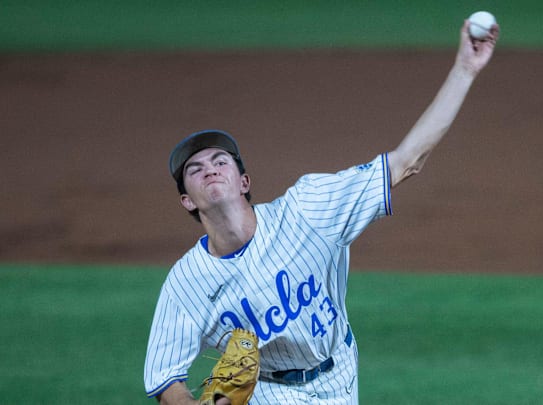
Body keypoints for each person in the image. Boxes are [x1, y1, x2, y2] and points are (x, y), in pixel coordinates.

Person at [144, 19, 499, 405]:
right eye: (194, 170)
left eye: (220, 161)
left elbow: (406, 161)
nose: (209, 169)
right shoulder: (187, 283)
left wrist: (464, 70)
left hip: (342, 371)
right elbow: (165, 379)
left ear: (244, 181)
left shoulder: (308, 210)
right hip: (270, 391)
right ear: (188, 201)